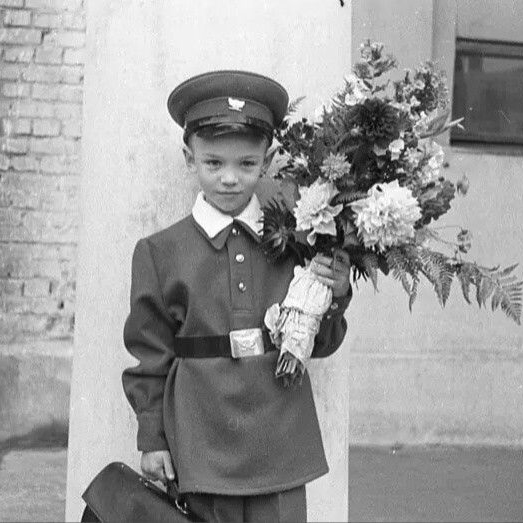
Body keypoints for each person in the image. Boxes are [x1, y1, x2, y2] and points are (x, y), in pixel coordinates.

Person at [121, 70, 352, 522]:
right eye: (213, 163)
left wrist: (336, 296)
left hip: (280, 438)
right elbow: (150, 355)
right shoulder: (159, 252)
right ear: (189, 158)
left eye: (246, 164)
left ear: (267, 161)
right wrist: (152, 438)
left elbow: (320, 344)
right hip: (202, 440)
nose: (229, 178)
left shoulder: (296, 246)